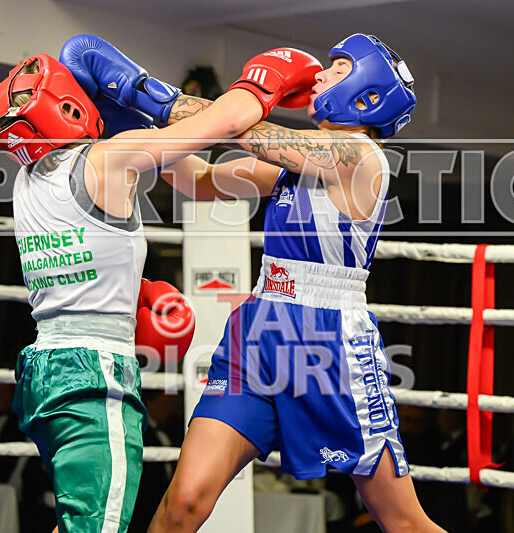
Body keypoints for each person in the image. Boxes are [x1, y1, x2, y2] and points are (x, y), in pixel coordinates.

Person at [65, 33, 441, 532]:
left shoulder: (359, 156)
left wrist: (140, 89)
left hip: (327, 340)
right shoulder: (293, 168)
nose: (321, 74)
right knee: (185, 501)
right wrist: (133, 124)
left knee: (403, 522)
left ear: (368, 96)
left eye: (339, 68)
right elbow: (198, 180)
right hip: (259, 331)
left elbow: (239, 130)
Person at [0, 42, 319, 533]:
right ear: (71, 107)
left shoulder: (28, 180)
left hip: (45, 367)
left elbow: (196, 180)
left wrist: (126, 113)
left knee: (81, 519)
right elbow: (225, 122)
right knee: (97, 526)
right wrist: (252, 83)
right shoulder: (108, 161)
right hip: (93, 372)